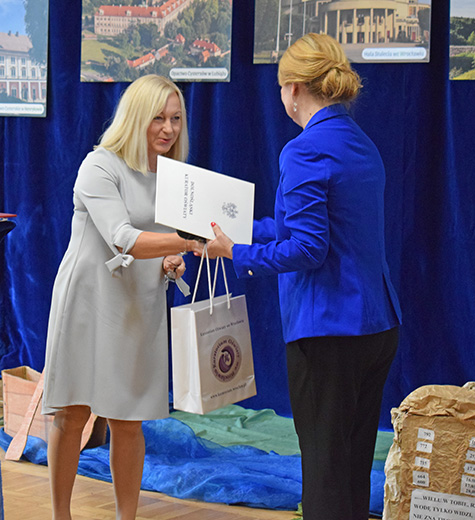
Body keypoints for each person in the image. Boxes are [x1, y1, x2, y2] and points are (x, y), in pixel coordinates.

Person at [199, 34, 402, 520]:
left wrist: (237, 252)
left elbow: (309, 248)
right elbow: (303, 229)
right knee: (351, 464)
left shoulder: (304, 150)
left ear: (292, 88)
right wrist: (238, 233)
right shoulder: (360, 143)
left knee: (325, 469)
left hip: (329, 331)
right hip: (376, 325)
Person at [42, 74, 197, 520]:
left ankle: (125, 518)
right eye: (158, 119)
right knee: (73, 413)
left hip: (137, 306)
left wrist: (171, 260)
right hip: (88, 303)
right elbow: (123, 238)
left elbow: (161, 242)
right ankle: (61, 515)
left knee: (128, 420)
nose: (168, 129)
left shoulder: (173, 175)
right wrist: (185, 242)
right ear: (135, 118)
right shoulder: (99, 165)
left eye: (175, 119)